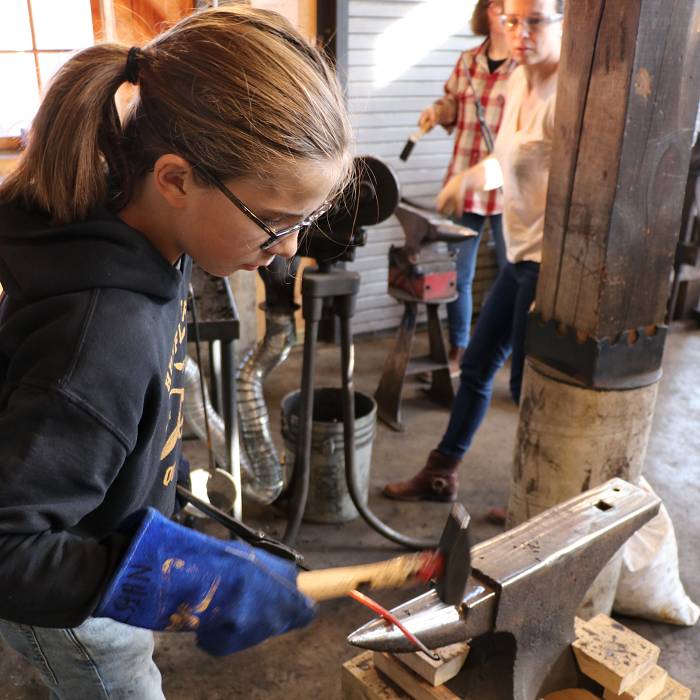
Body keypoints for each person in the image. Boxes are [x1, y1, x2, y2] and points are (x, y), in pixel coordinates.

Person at [0, 6, 352, 699]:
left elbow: (135, 407)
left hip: (100, 532)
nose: (290, 249)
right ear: (176, 179)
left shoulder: (154, 242)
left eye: (303, 222)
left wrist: (172, 498)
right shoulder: (99, 338)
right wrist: (166, 578)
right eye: (275, 222)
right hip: (73, 606)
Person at [383, 0, 563, 505]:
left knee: (529, 387)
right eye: (511, 20)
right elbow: (508, 160)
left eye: (534, 21)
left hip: (549, 266)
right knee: (480, 367)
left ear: (562, 20)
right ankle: (441, 472)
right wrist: (469, 177)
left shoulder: (572, 94)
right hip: (522, 255)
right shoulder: (517, 82)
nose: (519, 32)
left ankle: (540, 496)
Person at [419, 0, 514, 374]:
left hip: (508, 186)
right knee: (460, 272)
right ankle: (460, 346)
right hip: (465, 182)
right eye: (502, 7)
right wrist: (437, 112)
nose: (509, 17)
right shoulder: (468, 61)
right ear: (489, 11)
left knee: (513, 273)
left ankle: (501, 346)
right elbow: (452, 106)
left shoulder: (523, 69)